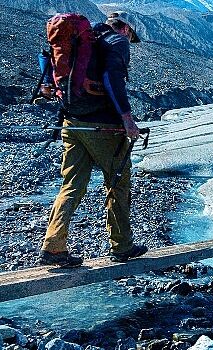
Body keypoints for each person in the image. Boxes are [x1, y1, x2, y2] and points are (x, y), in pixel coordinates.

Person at [38, 11, 147, 267]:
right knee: (117, 180)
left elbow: (46, 60)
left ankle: (54, 247)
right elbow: (111, 79)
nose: (129, 39)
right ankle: (122, 246)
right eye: (131, 35)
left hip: (71, 121)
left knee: (72, 184)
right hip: (102, 125)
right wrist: (127, 118)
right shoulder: (116, 42)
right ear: (126, 29)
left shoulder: (81, 39)